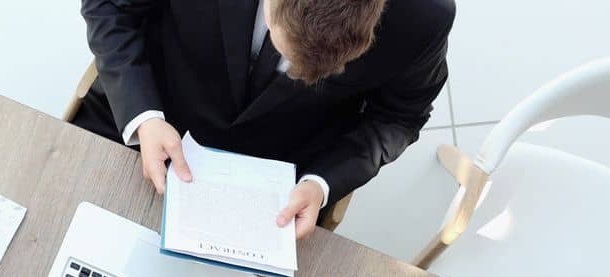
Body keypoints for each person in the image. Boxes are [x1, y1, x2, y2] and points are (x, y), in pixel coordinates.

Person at [74, 0, 454, 239]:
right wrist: (144, 116)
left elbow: (401, 116)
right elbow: (111, 7)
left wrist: (322, 184)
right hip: (148, 117)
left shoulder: (426, 15)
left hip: (277, 187)